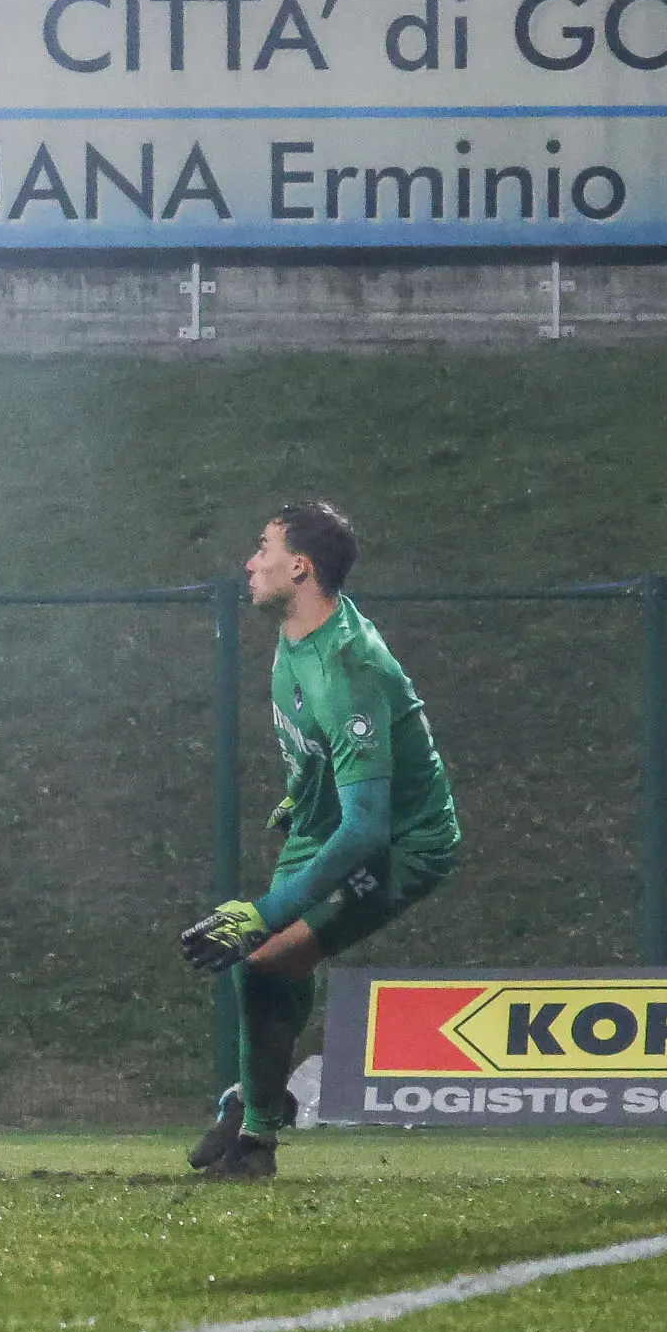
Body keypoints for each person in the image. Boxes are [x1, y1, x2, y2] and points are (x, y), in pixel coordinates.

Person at [177, 501, 462, 1181]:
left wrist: (264, 912)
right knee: (267, 963)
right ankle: (252, 1107)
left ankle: (254, 1136)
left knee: (264, 951)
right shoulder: (296, 633)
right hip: (324, 822)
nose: (250, 561)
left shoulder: (347, 665)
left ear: (299, 567)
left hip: (398, 841)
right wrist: (301, 792)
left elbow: (367, 826)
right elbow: (322, 746)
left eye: (263, 547)